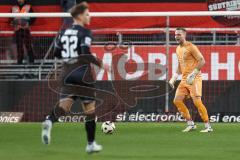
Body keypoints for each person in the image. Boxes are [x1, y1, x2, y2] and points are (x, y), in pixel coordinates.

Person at [41, 2, 110, 153]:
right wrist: (100, 63)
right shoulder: (85, 33)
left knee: (64, 107)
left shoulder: (63, 32)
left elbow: (56, 54)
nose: (89, 16)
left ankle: (49, 121)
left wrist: (69, 58)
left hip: (67, 74)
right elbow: (85, 53)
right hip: (82, 74)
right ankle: (90, 144)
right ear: (79, 16)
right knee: (90, 110)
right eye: (87, 14)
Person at [169, 27, 213, 133]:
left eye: (179, 34)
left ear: (184, 35)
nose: (176, 36)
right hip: (184, 79)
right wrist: (174, 78)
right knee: (177, 100)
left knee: (197, 102)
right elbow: (180, 64)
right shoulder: (178, 49)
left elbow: (202, 61)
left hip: (194, 78)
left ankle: (208, 126)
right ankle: (190, 124)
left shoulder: (191, 47)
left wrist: (193, 74)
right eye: (175, 35)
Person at [10, 0, 35, 64]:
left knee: (28, 45)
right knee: (19, 46)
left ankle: (31, 60)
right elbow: (11, 18)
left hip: (25, 29)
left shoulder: (28, 7)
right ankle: (19, 61)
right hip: (17, 29)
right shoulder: (13, 8)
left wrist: (28, 23)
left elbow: (34, 17)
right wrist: (12, 22)